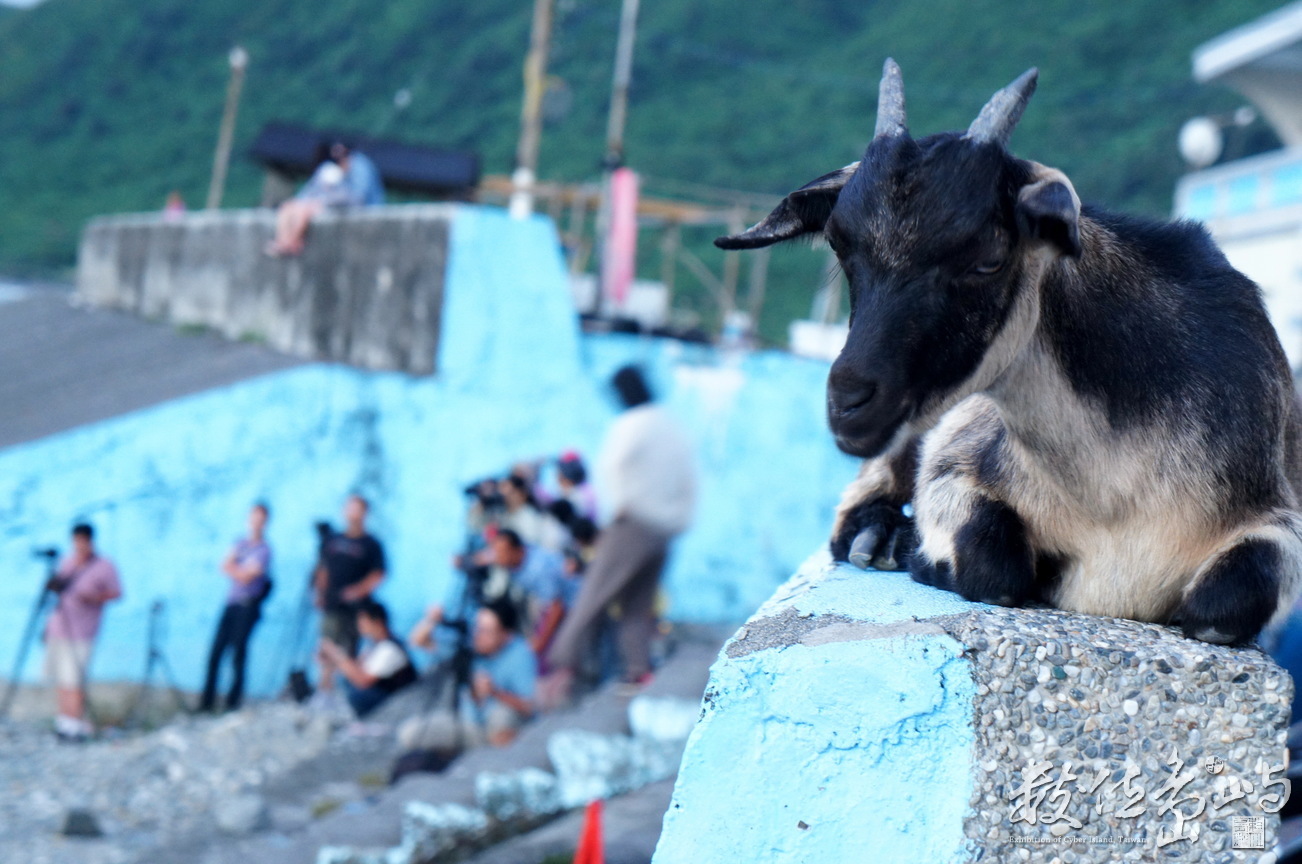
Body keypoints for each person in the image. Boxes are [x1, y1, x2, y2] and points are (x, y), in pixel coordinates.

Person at [544, 365, 696, 702]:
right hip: (665, 532)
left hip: (633, 524)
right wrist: (679, 521)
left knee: (592, 597)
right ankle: (638, 670)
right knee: (636, 605)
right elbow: (690, 481)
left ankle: (560, 671)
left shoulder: (631, 424)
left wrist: (616, 510)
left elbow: (610, 468)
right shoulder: (672, 426)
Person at [398, 600, 537, 753]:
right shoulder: (468, 646)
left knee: (502, 715)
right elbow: (418, 641)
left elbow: (530, 707)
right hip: (468, 725)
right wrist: (432, 620)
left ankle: (497, 759)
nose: (478, 635)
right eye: (477, 627)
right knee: (410, 732)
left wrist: (495, 692)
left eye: (486, 631)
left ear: (505, 635)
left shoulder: (520, 654)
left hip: (499, 727)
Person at [43, 523, 123, 741]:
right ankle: (64, 723)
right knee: (61, 678)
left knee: (75, 679)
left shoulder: (104, 565)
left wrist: (94, 598)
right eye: (76, 541)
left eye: (82, 540)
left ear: (90, 540)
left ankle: (77, 725)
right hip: (59, 628)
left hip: (83, 631)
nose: (79, 545)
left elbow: (117, 593)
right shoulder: (68, 563)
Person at [199, 502, 272, 713]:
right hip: (231, 604)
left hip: (248, 607)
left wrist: (237, 569)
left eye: (260, 517)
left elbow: (247, 575)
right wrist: (238, 569)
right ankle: (207, 703)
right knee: (216, 652)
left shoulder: (265, 549)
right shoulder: (240, 543)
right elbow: (225, 565)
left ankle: (233, 702)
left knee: (238, 653)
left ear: (265, 521)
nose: (256, 521)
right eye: (253, 516)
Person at [314, 494, 386, 695]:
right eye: (350, 508)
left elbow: (378, 574)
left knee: (351, 648)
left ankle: (348, 691)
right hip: (332, 603)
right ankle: (324, 688)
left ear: (365, 513)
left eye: (358, 509)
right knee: (327, 644)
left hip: (357, 608)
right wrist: (320, 592)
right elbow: (323, 569)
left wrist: (357, 591)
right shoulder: (333, 541)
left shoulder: (372, 544)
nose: (353, 513)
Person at [265, 141, 385, 257]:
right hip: (327, 204)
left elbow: (358, 198)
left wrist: (323, 200)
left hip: (357, 209)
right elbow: (309, 191)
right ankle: (282, 240)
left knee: (305, 211)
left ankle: (292, 243)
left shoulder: (360, 165)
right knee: (288, 206)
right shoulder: (329, 168)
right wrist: (302, 202)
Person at [318, 600, 416, 718]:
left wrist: (336, 654)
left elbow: (363, 681)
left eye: (363, 621)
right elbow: (354, 669)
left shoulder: (390, 648)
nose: (359, 625)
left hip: (395, 704)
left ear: (378, 622)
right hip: (382, 700)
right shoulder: (373, 646)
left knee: (357, 694)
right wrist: (330, 663)